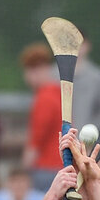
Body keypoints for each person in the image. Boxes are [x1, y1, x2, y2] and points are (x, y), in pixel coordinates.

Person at [20, 43, 63, 191]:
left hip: (45, 169)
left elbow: (36, 142)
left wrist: (22, 172)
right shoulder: (59, 92)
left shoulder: (44, 98)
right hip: (61, 165)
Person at [72, 32, 100, 136]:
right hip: (61, 142)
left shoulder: (98, 76)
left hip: (89, 142)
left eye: (81, 43)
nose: (78, 48)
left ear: (88, 46)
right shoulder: (54, 75)